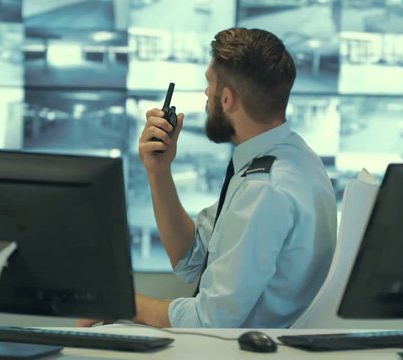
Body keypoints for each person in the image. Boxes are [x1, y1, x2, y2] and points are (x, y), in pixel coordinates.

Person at [78, 27, 337, 328]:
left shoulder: (264, 190)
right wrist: (158, 172)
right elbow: (191, 259)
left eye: (209, 84)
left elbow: (209, 321)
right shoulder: (291, 157)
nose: (206, 94)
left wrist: (121, 302)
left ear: (226, 99)